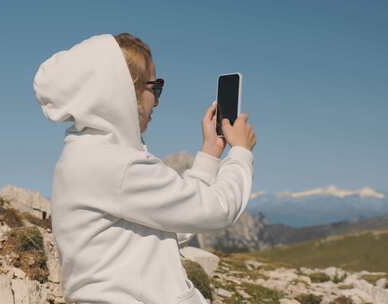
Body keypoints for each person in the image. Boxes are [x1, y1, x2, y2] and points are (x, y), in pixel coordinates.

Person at [33, 32, 256, 304]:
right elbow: (217, 209)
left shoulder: (87, 153)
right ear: (125, 92)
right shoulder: (117, 163)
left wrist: (210, 153)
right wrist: (241, 153)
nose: (158, 101)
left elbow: (177, 218)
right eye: (155, 87)